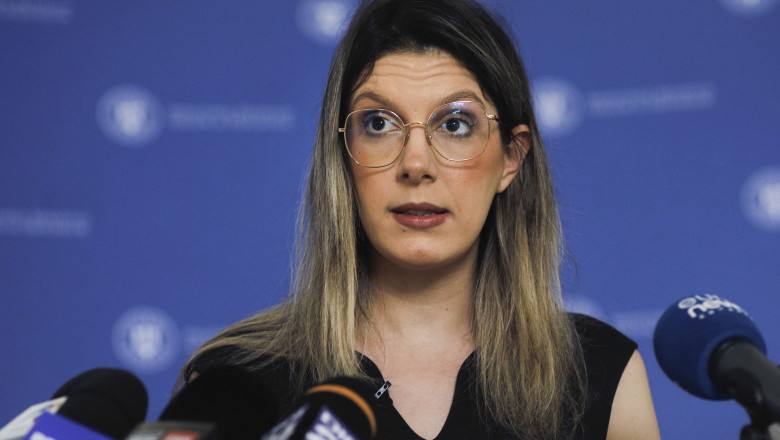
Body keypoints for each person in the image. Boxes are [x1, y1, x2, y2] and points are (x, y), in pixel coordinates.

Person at [182, 0, 660, 438]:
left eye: (454, 124)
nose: (415, 164)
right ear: (343, 155)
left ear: (511, 159)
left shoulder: (600, 373)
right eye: (379, 124)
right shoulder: (235, 382)